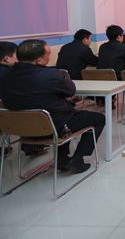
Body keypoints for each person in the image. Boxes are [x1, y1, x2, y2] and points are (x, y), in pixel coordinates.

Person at [1, 40, 105, 173]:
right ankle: (77, 159)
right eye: (48, 54)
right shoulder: (51, 75)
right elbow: (70, 90)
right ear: (39, 60)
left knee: (62, 113)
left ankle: (62, 158)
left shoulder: (5, 76)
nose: (49, 57)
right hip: (52, 127)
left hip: (20, 129)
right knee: (98, 118)